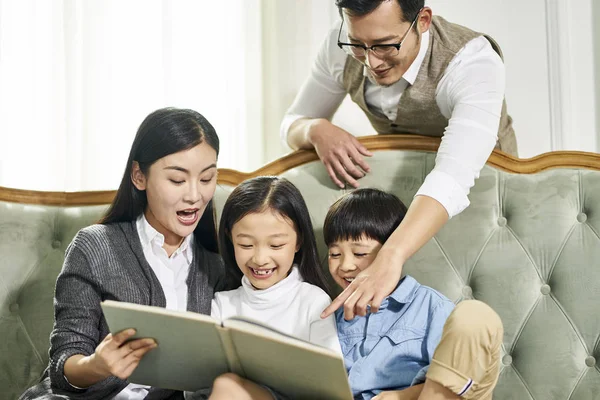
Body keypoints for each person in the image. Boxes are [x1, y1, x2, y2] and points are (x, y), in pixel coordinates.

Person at [282, 0, 517, 320]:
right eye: (359, 46)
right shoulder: (343, 43)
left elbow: (452, 176)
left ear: (422, 20)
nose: (371, 61)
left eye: (384, 45)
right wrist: (316, 129)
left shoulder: (472, 60)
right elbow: (292, 122)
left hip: (484, 193)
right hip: (405, 194)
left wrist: (390, 256)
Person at [20, 107, 238, 399]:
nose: (194, 195)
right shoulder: (95, 246)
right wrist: (96, 365)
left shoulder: (217, 267)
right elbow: (64, 366)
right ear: (139, 176)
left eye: (207, 178)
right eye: (177, 180)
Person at [324, 188, 504, 400]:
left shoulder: (429, 307)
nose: (345, 265)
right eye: (334, 254)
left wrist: (402, 396)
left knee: (475, 316)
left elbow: (464, 371)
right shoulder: (331, 320)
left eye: (360, 253)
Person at [205, 176, 341, 400]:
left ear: (298, 241)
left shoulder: (313, 301)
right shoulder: (222, 304)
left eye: (276, 245)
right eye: (246, 245)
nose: (260, 259)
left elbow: (330, 383)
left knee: (227, 385)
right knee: (225, 385)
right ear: (230, 240)